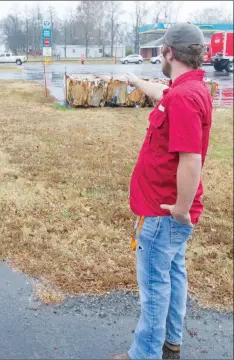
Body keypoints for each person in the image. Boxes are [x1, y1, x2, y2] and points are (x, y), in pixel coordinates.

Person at [114, 23, 212, 360]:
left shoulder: (184, 97)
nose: (159, 56)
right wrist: (137, 82)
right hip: (167, 213)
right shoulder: (188, 90)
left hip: (164, 213)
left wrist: (181, 209)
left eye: (161, 51)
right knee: (173, 274)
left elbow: (190, 159)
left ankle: (144, 354)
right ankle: (171, 341)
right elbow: (162, 93)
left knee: (154, 287)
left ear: (170, 52)